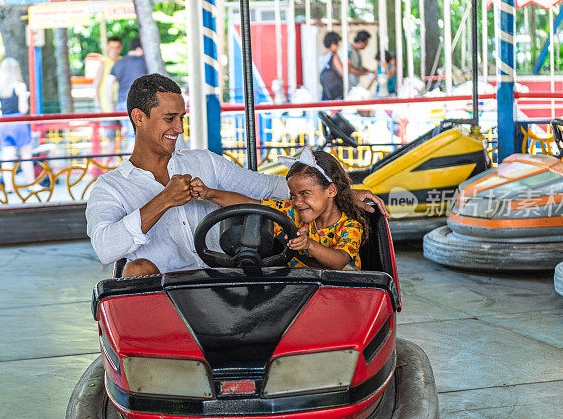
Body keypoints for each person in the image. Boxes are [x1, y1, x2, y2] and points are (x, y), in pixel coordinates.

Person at [85, 74, 386, 277]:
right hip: (164, 296)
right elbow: (105, 248)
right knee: (136, 270)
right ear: (139, 118)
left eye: (182, 119)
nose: (179, 129)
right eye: (170, 119)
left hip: (223, 282)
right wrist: (163, 201)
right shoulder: (110, 188)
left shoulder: (204, 162)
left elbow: (268, 187)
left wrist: (343, 193)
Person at [190, 147, 366, 271]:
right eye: (293, 195)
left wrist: (309, 244)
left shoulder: (350, 226)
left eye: (305, 193)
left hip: (339, 292)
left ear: (331, 190)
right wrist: (208, 193)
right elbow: (249, 204)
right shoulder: (290, 212)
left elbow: (339, 261)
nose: (298, 202)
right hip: (300, 290)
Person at [0, 58, 40, 194]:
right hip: (18, 123)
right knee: (25, 155)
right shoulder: (19, 86)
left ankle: (9, 187)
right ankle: (31, 185)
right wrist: (25, 98)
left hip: (4, 124)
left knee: (7, 156)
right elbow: (23, 109)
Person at [107, 37, 147, 112]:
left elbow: (109, 84)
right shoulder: (144, 62)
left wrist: (112, 105)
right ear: (139, 49)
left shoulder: (118, 63)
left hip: (121, 104)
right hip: (140, 104)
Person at [93, 36, 123, 112]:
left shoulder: (123, 61)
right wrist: (97, 107)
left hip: (121, 105)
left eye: (117, 47)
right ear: (108, 47)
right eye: (112, 47)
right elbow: (95, 85)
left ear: (121, 48)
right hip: (106, 107)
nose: (115, 50)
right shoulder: (103, 63)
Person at [319, 32, 345, 101]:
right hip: (336, 93)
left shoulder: (322, 57)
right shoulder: (334, 56)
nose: (338, 46)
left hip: (326, 93)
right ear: (333, 44)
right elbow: (343, 72)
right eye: (337, 44)